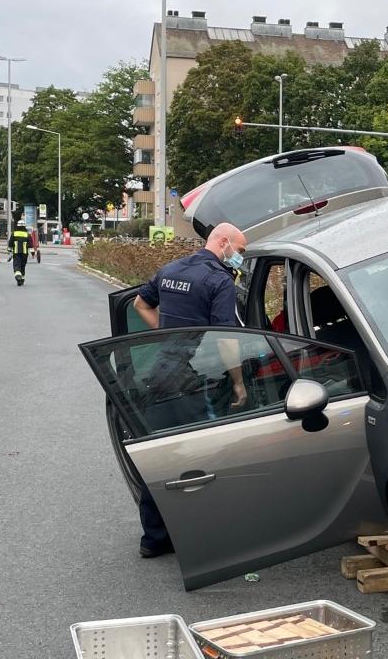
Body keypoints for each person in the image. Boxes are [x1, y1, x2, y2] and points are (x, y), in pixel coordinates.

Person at [128, 222, 248, 559]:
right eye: (239, 251)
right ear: (223, 242)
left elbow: (140, 304)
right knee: (207, 455)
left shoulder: (171, 269)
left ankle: (153, 539)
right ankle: (208, 539)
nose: (240, 258)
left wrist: (166, 336)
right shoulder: (219, 280)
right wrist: (238, 383)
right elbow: (225, 339)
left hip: (158, 373)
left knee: (160, 453)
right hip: (194, 379)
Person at [7, 219, 33, 286]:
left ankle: (18, 277)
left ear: (17, 226)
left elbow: (10, 244)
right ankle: (22, 280)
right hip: (25, 254)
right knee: (22, 266)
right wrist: (33, 254)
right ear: (25, 226)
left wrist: (9, 253)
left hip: (16, 253)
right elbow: (31, 246)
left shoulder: (14, 234)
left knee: (16, 266)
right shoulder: (28, 235)